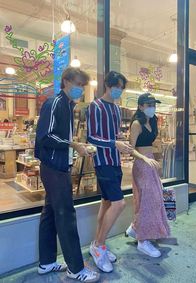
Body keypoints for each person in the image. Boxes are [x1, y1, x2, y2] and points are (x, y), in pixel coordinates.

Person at [35, 67, 100, 282]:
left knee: (51, 214)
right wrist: (73, 144)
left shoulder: (66, 105)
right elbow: (45, 137)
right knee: (66, 216)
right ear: (66, 82)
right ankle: (75, 268)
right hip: (54, 167)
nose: (80, 89)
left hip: (56, 165)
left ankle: (46, 263)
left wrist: (74, 145)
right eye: (78, 84)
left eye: (83, 85)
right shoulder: (55, 103)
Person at [86, 71, 133, 273]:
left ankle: (97, 244)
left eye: (122, 88)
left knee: (106, 203)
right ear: (108, 85)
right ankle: (99, 246)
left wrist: (120, 137)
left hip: (115, 161)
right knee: (119, 203)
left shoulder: (115, 108)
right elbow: (92, 137)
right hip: (102, 161)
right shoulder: (94, 106)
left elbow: (113, 134)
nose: (119, 91)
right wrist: (115, 143)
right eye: (117, 87)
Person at [125, 93, 170, 257]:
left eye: (154, 104)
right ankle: (142, 240)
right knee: (147, 200)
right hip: (141, 164)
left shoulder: (153, 121)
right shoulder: (136, 124)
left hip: (151, 162)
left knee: (155, 198)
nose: (152, 107)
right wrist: (144, 158)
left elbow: (152, 144)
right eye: (149, 104)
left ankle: (135, 228)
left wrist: (155, 159)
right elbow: (131, 149)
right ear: (140, 106)